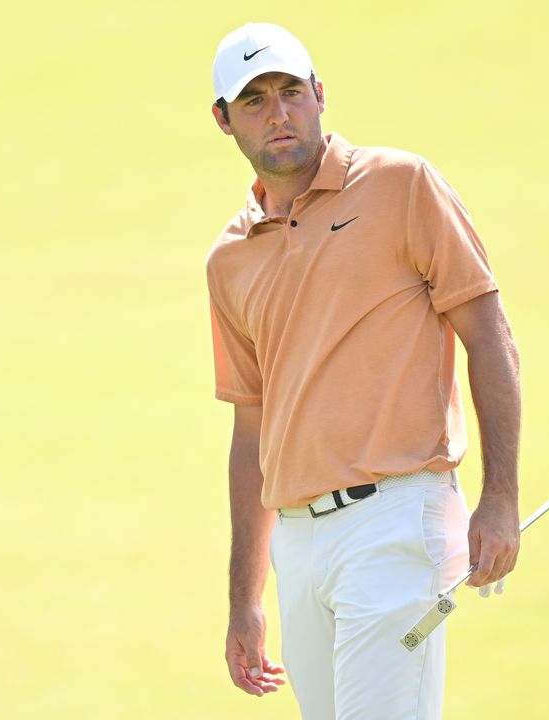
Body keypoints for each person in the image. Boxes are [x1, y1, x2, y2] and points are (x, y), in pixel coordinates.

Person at [205, 22, 523, 719]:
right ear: (224, 121)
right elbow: (251, 429)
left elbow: (489, 336)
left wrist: (500, 494)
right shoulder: (229, 259)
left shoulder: (401, 185)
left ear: (320, 94)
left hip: (395, 519)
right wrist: (244, 599)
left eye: (291, 91)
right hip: (297, 542)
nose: (279, 113)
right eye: (254, 101)